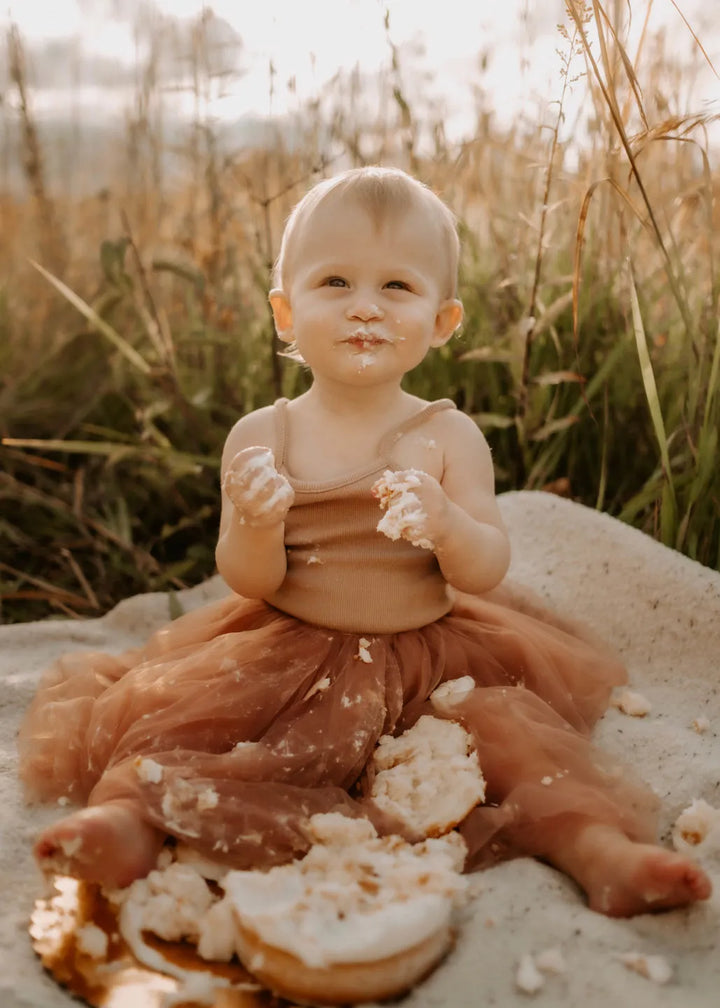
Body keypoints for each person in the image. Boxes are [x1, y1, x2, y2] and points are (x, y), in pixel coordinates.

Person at [19, 166, 711, 918]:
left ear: (443, 322)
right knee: (200, 731)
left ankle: (600, 852)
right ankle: (132, 821)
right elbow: (246, 579)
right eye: (336, 283)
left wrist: (447, 525)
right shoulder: (263, 436)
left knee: (513, 746)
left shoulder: (448, 436)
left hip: (429, 653)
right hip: (287, 648)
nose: (365, 310)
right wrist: (254, 521)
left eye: (397, 288)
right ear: (286, 312)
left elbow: (486, 567)